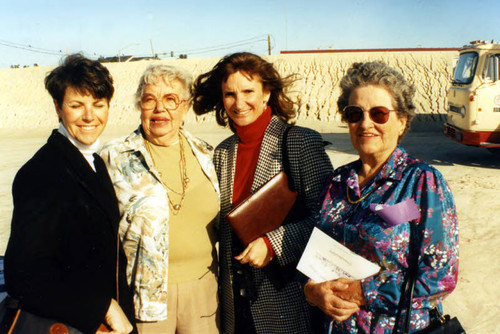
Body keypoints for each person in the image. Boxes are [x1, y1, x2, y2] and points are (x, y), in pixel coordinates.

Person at [304, 61, 459, 333]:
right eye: (355, 113)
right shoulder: (336, 183)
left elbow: (441, 277)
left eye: (379, 114)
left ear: (401, 121)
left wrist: (364, 292)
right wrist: (313, 290)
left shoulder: (421, 183)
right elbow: (315, 258)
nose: (366, 123)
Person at [193, 52, 333, 334]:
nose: (239, 102)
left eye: (248, 91)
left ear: (267, 93)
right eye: (230, 94)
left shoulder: (299, 142)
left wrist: (272, 244)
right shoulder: (223, 153)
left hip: (286, 298)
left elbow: (330, 220)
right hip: (237, 300)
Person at [4, 54, 135, 333]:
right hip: (76, 323)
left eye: (98, 105)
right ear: (58, 107)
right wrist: (103, 308)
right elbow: (22, 276)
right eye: (76, 105)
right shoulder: (40, 173)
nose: (90, 116)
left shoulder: (94, 161)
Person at [100, 64, 220, 333]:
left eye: (171, 99)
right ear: (139, 106)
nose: (160, 109)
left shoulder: (208, 155)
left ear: (185, 107)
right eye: (149, 99)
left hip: (204, 292)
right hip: (143, 299)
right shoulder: (113, 158)